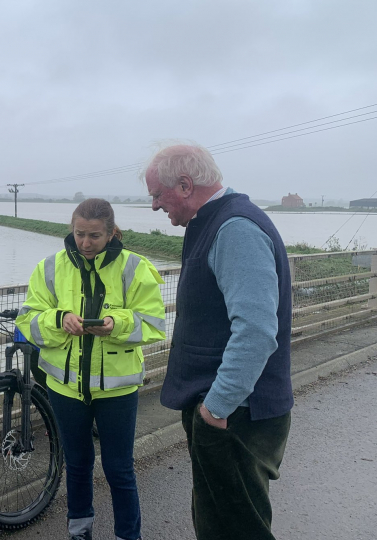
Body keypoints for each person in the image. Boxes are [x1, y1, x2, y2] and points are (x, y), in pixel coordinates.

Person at [143, 143, 293, 540]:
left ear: (186, 185)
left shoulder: (234, 228)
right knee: (218, 522)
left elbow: (257, 330)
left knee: (234, 530)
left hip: (236, 416)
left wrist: (215, 409)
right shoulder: (213, 222)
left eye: (157, 194)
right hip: (229, 413)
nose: (155, 205)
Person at [16, 198, 166, 540]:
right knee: (78, 465)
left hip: (117, 390)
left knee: (119, 470)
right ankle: (79, 531)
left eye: (95, 236)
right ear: (72, 228)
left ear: (112, 233)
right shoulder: (49, 267)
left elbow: (156, 324)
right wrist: (59, 319)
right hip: (64, 388)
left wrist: (117, 323)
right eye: (80, 234)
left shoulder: (135, 267)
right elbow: (29, 319)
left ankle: (129, 535)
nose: (85, 243)